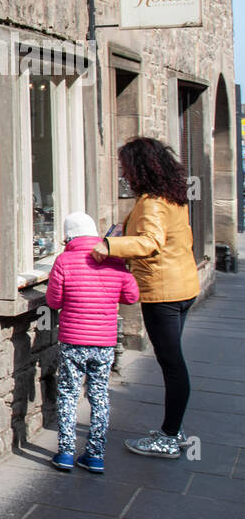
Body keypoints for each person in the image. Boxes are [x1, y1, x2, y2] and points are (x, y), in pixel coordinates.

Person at [91, 137, 200, 458]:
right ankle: (173, 428)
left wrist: (110, 246)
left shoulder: (152, 202)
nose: (123, 172)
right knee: (173, 362)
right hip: (183, 286)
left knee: (172, 364)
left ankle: (169, 436)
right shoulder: (172, 197)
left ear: (140, 167)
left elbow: (150, 241)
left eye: (125, 166)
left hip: (164, 292)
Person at [46, 212, 140, 472]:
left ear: (69, 237)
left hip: (73, 341)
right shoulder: (114, 261)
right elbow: (132, 296)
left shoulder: (64, 261)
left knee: (68, 393)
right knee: (99, 396)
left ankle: (65, 453)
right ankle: (95, 454)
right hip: (104, 342)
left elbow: (54, 301)